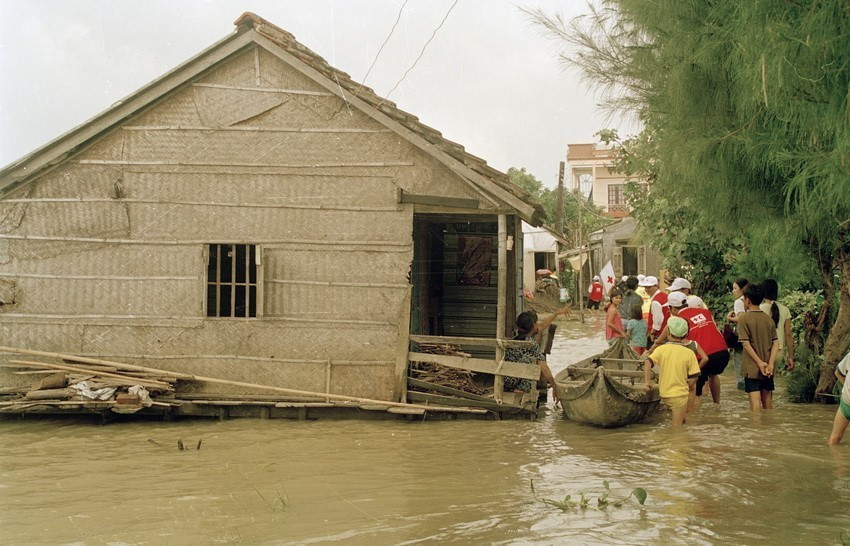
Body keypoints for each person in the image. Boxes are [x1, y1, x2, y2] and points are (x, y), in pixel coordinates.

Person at [649, 291, 728, 407]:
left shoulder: (678, 319)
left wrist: (656, 343)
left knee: (695, 391)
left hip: (703, 357)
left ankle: (693, 421)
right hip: (723, 353)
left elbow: (667, 328)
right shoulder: (705, 312)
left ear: (673, 309)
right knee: (713, 375)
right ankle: (717, 405)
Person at [644, 316, 701, 426]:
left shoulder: (661, 349)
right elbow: (695, 377)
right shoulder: (689, 353)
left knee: (683, 420)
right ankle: (675, 442)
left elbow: (647, 362)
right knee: (677, 428)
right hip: (679, 395)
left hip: (664, 393)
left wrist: (647, 382)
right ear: (685, 335)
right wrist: (688, 386)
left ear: (668, 333)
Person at [504, 311, 563, 404]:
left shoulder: (514, 339)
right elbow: (544, 368)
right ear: (533, 325)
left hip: (507, 381)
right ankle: (521, 389)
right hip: (515, 383)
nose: (538, 325)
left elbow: (542, 325)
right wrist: (554, 386)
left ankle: (516, 388)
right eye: (536, 323)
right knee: (533, 363)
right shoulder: (531, 344)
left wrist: (555, 314)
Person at [737, 283, 779, 412]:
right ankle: (768, 428)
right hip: (768, 368)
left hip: (752, 368)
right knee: (768, 403)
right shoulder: (768, 319)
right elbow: (776, 343)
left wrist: (759, 363)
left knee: (755, 405)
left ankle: (757, 430)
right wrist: (770, 363)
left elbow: (746, 343)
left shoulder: (744, 319)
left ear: (747, 300)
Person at [759, 279, 795, 372]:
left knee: (760, 383)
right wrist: (790, 356)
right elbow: (788, 334)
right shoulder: (785, 309)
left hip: (761, 351)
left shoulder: (758, 309)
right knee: (770, 381)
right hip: (778, 352)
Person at [726, 277, 749, 391]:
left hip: (742, 336)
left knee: (739, 360)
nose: (733, 291)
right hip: (752, 335)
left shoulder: (739, 302)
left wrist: (729, 318)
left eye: (735, 288)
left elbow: (742, 319)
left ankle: (741, 386)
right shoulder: (752, 299)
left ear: (742, 289)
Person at [828, 351, 850, 445]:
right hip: (846, 403)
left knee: (834, 439)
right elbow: (838, 373)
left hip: (846, 401)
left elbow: (838, 373)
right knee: (834, 439)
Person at [641, 275, 669, 343]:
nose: (647, 289)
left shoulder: (656, 301)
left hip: (659, 333)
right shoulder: (665, 295)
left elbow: (658, 320)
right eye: (646, 287)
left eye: (649, 287)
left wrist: (652, 332)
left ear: (656, 286)